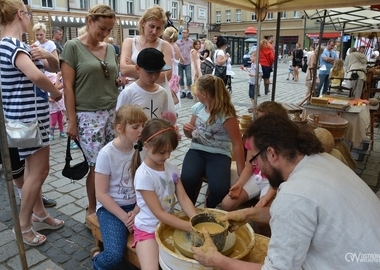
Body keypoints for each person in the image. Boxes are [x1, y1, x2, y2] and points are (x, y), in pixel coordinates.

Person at [192, 114, 380, 270]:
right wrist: (250, 213)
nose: (255, 165)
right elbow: (304, 217)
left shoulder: (293, 196)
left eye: (255, 158)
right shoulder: (321, 160)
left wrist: (217, 260)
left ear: (272, 153)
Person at [0, 0, 64, 246]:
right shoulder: (14, 46)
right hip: (31, 119)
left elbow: (47, 68)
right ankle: (24, 226)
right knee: (39, 171)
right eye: (28, 14)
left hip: (22, 117)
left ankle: (39, 213)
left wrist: (46, 55)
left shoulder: (10, 46)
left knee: (30, 171)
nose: (30, 19)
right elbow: (36, 75)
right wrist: (56, 93)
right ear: (20, 14)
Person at [61, 4, 128, 221]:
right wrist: (72, 121)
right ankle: (92, 209)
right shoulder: (72, 47)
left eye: (109, 30)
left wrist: (118, 82)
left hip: (113, 113)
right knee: (96, 166)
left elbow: (107, 77)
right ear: (90, 21)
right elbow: (68, 87)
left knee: (114, 160)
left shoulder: (110, 49)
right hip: (88, 117)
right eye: (102, 28)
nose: (105, 34)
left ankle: (111, 202)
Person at [132, 118, 197, 270]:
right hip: (148, 229)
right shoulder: (144, 176)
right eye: (162, 152)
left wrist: (195, 220)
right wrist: (191, 228)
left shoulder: (171, 168)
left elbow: (183, 197)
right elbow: (159, 214)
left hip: (169, 225)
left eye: (170, 151)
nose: (167, 156)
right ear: (147, 146)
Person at [91, 105, 148, 269]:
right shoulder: (106, 154)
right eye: (135, 127)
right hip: (111, 209)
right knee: (114, 256)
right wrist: (125, 218)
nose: (141, 130)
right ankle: (97, 259)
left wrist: (137, 209)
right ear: (120, 128)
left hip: (138, 205)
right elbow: (100, 194)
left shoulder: (141, 148)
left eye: (143, 125)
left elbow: (146, 184)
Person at [181, 75, 245, 208]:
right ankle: (188, 210)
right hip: (197, 151)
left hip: (219, 154)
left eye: (197, 92)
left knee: (220, 189)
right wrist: (187, 130)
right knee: (186, 179)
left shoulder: (225, 113)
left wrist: (242, 174)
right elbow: (191, 134)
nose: (195, 95)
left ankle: (208, 210)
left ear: (204, 94)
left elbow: (237, 143)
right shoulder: (198, 108)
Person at [221, 101, 288, 212]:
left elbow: (279, 177)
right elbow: (249, 166)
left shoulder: (283, 142)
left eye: (264, 120)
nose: (259, 124)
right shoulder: (254, 137)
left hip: (273, 183)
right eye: (258, 118)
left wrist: (265, 199)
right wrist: (239, 184)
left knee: (261, 215)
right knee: (226, 204)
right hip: (256, 177)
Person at [119, 6, 173, 100]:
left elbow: (167, 75)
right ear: (143, 23)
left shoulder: (165, 46)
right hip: (133, 93)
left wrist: (135, 67)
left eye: (158, 28)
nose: (154, 31)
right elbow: (124, 69)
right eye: (151, 26)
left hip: (156, 93)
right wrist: (155, 71)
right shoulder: (129, 42)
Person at [116, 48, 175, 119]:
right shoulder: (128, 93)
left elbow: (164, 117)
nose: (154, 76)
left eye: (158, 72)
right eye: (149, 72)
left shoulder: (163, 92)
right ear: (138, 69)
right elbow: (119, 120)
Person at [162, 26, 185, 109]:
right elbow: (183, 60)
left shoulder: (167, 46)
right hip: (175, 77)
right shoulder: (176, 46)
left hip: (168, 77)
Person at [48, 71, 67, 141]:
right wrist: (50, 99)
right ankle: (51, 133)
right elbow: (49, 97)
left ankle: (62, 132)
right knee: (53, 121)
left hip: (60, 107)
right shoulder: (49, 90)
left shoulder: (59, 87)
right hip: (53, 108)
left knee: (60, 120)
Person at [176, 28, 193, 99]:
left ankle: (189, 91)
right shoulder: (178, 42)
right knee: (180, 77)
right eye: (182, 32)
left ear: (188, 34)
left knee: (189, 77)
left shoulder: (191, 41)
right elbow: (176, 51)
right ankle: (182, 91)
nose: (183, 34)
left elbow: (192, 50)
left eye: (185, 32)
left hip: (188, 62)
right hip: (180, 62)